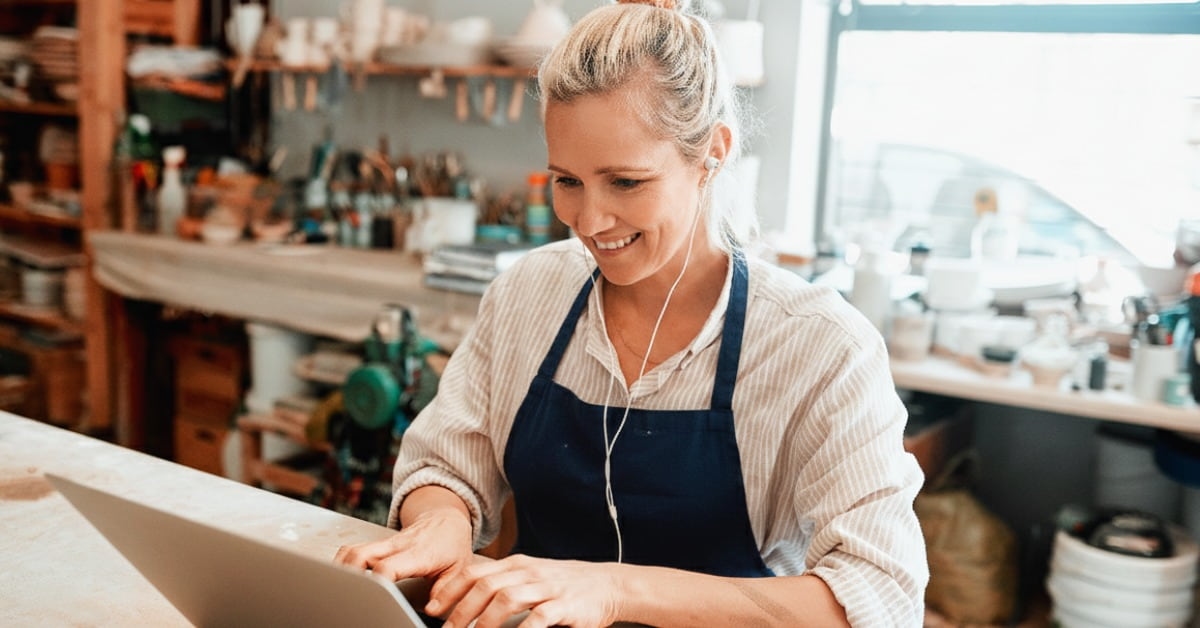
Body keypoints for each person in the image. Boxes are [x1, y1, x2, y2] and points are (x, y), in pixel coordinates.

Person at [335, 0, 929, 625]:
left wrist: (614, 590)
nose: (589, 222)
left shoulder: (820, 348)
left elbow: (880, 599)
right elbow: (448, 463)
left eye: (625, 182)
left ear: (712, 155)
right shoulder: (528, 292)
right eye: (567, 181)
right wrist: (440, 523)